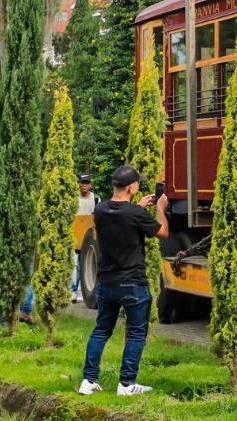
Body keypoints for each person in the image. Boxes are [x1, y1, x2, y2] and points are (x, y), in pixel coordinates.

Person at [78, 165, 168, 397]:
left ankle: (88, 381)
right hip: (132, 283)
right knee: (137, 332)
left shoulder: (99, 210)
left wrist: (136, 207)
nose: (138, 185)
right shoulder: (136, 215)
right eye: (137, 183)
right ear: (131, 188)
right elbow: (162, 232)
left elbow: (119, 218)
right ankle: (126, 384)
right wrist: (160, 208)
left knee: (101, 330)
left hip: (106, 282)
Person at [72, 174, 100, 303]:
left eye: (86, 182)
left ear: (90, 184)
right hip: (74, 238)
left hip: (88, 240)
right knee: (74, 266)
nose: (84, 185)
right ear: (78, 183)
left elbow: (97, 217)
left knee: (85, 266)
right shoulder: (73, 198)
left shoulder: (95, 199)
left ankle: (85, 290)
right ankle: (72, 291)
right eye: (82, 182)